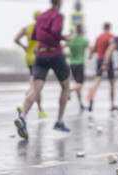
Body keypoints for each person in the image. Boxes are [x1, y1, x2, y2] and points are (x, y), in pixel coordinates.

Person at [14, 0, 71, 139]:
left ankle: (23, 117)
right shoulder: (58, 15)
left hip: (39, 55)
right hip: (54, 53)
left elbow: (34, 36)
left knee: (35, 88)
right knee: (65, 86)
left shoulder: (41, 17)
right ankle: (59, 120)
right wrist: (64, 37)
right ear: (59, 3)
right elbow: (56, 31)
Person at [14, 11, 48, 119]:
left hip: (28, 57)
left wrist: (24, 47)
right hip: (38, 57)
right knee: (35, 86)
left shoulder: (27, 28)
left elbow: (16, 39)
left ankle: (40, 110)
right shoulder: (43, 29)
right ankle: (25, 105)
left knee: (35, 84)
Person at [87, 23, 115, 111]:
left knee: (97, 80)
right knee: (112, 82)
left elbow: (94, 49)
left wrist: (90, 55)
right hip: (108, 60)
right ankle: (112, 103)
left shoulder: (99, 37)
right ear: (109, 27)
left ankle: (91, 98)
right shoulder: (111, 36)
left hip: (99, 59)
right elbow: (112, 46)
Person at [65, 24, 90, 110]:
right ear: (82, 31)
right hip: (80, 63)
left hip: (72, 63)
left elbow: (62, 47)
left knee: (77, 83)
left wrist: (66, 55)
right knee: (80, 84)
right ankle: (69, 90)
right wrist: (90, 55)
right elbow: (91, 49)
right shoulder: (83, 40)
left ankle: (80, 104)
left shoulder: (71, 39)